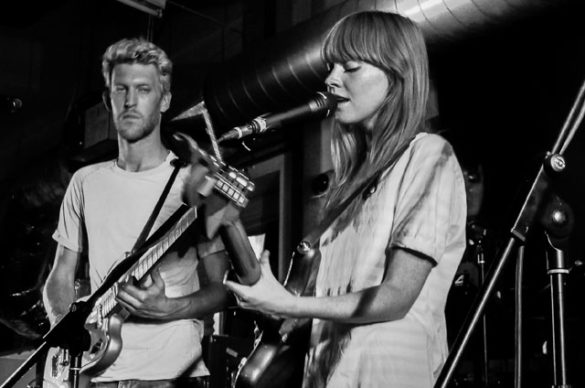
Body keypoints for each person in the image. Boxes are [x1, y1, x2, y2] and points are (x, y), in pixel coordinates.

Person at [225, 11, 467, 388]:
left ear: (397, 74)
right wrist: (274, 300)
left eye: (350, 67)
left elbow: (396, 297)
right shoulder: (348, 183)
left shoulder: (430, 155)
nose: (330, 79)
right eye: (331, 66)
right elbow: (329, 305)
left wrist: (289, 304)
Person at [42, 38, 230, 387]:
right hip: (96, 375)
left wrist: (169, 309)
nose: (130, 101)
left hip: (172, 375)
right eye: (120, 90)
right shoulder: (85, 182)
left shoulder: (197, 182)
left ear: (166, 100)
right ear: (106, 99)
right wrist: (65, 327)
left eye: (143, 89)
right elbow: (60, 276)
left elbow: (224, 289)